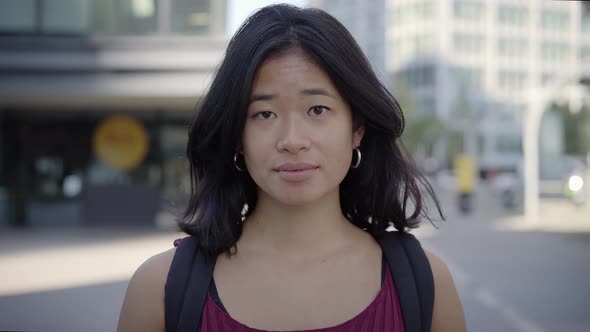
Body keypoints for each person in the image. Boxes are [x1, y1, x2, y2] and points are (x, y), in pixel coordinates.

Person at [118, 4, 465, 332]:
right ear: (238, 137)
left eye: (317, 110)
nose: (292, 140)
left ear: (357, 128)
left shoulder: (426, 283)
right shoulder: (159, 289)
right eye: (264, 114)